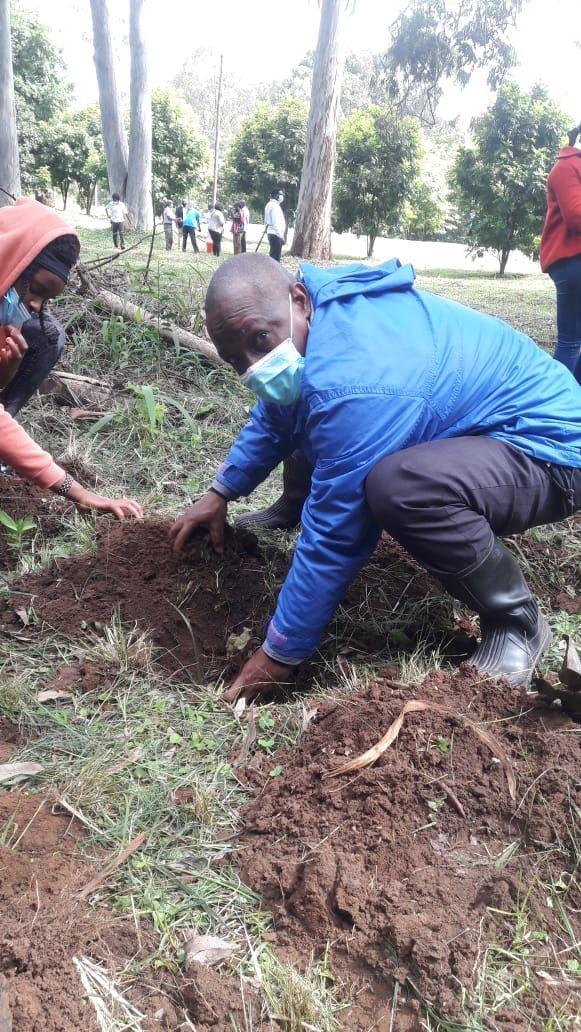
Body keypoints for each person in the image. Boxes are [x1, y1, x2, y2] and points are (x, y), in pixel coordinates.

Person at [169, 253, 581, 705]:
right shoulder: (317, 324)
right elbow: (277, 415)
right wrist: (221, 491)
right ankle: (292, 507)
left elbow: (335, 536)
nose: (254, 365)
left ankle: (516, 622)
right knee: (311, 412)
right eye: (235, 360)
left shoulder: (354, 380)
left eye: (260, 341)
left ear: (299, 299)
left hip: (551, 450)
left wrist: (280, 653)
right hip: (485, 429)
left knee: (400, 487)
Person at [0, 197, 143, 521]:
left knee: (49, 334)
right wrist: (78, 492)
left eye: (47, 298)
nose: (36, 305)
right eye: (36, 289)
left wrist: (5, 374)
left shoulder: (9, 308)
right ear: (11, 259)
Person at [539, 123, 581, 384]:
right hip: (571, 261)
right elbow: (576, 217)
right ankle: (553, 408)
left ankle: (572, 401)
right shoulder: (565, 168)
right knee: (570, 341)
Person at [264, 188, 286, 262]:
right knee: (275, 258)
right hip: (275, 234)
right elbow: (275, 222)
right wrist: (281, 236)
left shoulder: (269, 205)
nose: (282, 197)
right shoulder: (274, 206)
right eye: (280, 195)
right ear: (276, 195)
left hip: (271, 233)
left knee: (273, 255)